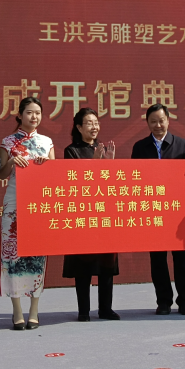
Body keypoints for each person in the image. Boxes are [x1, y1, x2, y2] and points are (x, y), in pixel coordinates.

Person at [130, 103, 185, 315]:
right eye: (153, 121)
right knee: (158, 258)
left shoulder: (181, 144)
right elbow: (134, 176)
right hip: (153, 209)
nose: (158, 125)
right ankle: (163, 301)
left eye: (161, 120)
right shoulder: (140, 147)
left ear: (168, 120)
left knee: (182, 258)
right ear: (147, 123)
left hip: (177, 210)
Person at [0, 97, 54, 329]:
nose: (34, 117)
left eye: (38, 113)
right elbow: (1, 174)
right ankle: (17, 310)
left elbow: (54, 174)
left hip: (38, 203)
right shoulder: (8, 141)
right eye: (29, 112)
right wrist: (12, 161)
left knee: (37, 255)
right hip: (14, 203)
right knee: (12, 255)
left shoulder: (46, 142)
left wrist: (46, 163)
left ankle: (34, 310)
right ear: (20, 115)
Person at [62, 107, 120, 322]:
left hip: (104, 213)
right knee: (83, 265)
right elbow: (74, 183)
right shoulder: (72, 151)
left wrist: (109, 165)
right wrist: (95, 164)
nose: (94, 127)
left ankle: (105, 308)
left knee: (106, 263)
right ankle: (84, 310)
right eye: (89, 123)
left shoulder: (103, 149)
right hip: (82, 215)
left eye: (96, 123)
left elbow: (111, 185)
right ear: (79, 127)